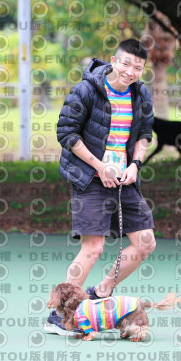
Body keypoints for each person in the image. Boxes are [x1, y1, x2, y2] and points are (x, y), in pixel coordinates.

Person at [45, 39, 156, 335]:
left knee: (145, 241)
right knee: (93, 247)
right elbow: (66, 133)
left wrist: (135, 165)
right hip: (89, 177)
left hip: (124, 179)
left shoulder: (140, 93)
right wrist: (99, 166)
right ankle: (59, 316)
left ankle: (101, 291)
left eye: (138, 67)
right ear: (113, 61)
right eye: (126, 63)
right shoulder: (86, 90)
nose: (131, 71)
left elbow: (145, 133)